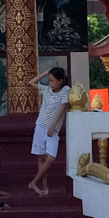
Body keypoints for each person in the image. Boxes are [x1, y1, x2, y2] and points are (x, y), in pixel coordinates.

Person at [26, 67, 70, 196]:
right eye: (49, 80)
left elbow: (63, 108)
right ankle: (44, 187)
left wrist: (53, 126)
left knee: (50, 158)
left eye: (53, 81)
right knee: (41, 157)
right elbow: (31, 83)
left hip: (52, 129)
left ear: (61, 81)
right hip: (40, 125)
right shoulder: (46, 90)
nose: (50, 83)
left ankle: (33, 182)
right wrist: (46, 72)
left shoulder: (66, 91)